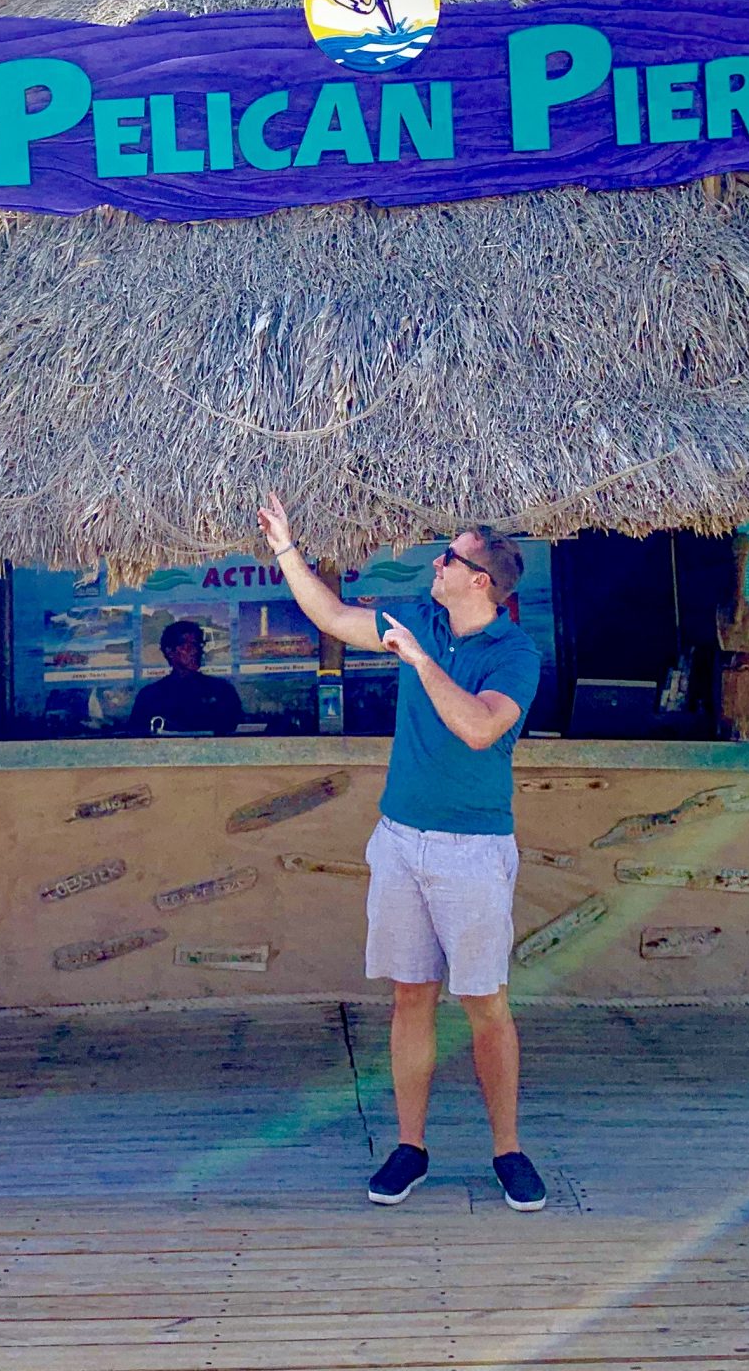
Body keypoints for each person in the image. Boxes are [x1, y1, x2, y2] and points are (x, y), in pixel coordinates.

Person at [253, 494, 548, 1212]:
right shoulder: (416, 616)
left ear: (481, 580)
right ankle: (410, 1147)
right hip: (400, 841)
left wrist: (419, 663)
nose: (436, 563)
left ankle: (507, 1151)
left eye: (449, 556)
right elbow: (331, 617)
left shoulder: (514, 653)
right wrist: (287, 547)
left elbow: (479, 728)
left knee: (485, 1003)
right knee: (410, 996)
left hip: (473, 848)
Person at [128, 619, 246, 736]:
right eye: (189, 646)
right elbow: (136, 739)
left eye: (199, 645)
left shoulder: (221, 690)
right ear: (170, 651)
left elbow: (238, 731)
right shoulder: (150, 696)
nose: (196, 651)